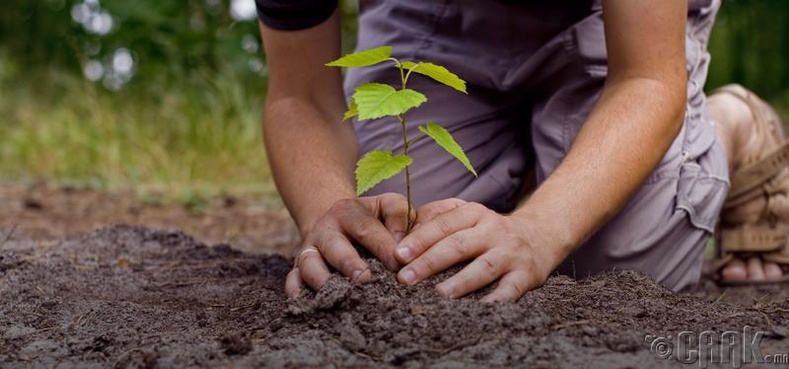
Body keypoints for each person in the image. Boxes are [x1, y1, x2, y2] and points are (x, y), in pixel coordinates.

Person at [255, 0, 789, 301]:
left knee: (615, 269)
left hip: (614, 20)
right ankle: (547, 159)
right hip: (431, 14)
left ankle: (731, 127)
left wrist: (540, 232)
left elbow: (646, 78)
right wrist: (327, 210)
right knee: (399, 244)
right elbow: (300, 96)